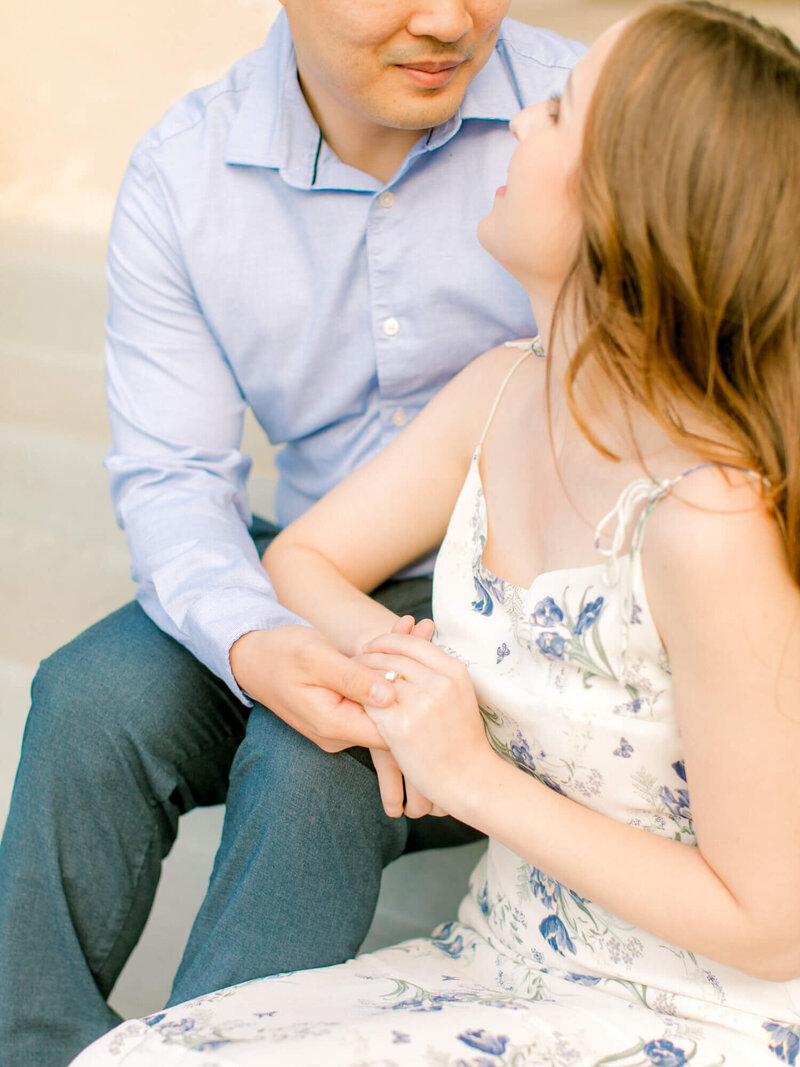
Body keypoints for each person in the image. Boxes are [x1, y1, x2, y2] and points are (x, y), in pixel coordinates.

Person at [70, 1, 800, 1064]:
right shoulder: (501, 389)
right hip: (500, 959)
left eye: (557, 114)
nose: (516, 119)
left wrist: (464, 771)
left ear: (629, 206)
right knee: (90, 706)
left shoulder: (707, 525)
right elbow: (292, 550)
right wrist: (400, 663)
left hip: (686, 1013)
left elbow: (772, 922)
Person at [0, 3, 587, 1065]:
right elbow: (176, 479)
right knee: (89, 698)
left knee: (318, 758)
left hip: (524, 588)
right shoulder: (185, 175)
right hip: (310, 559)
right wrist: (255, 639)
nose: (447, 20)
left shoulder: (582, 116)